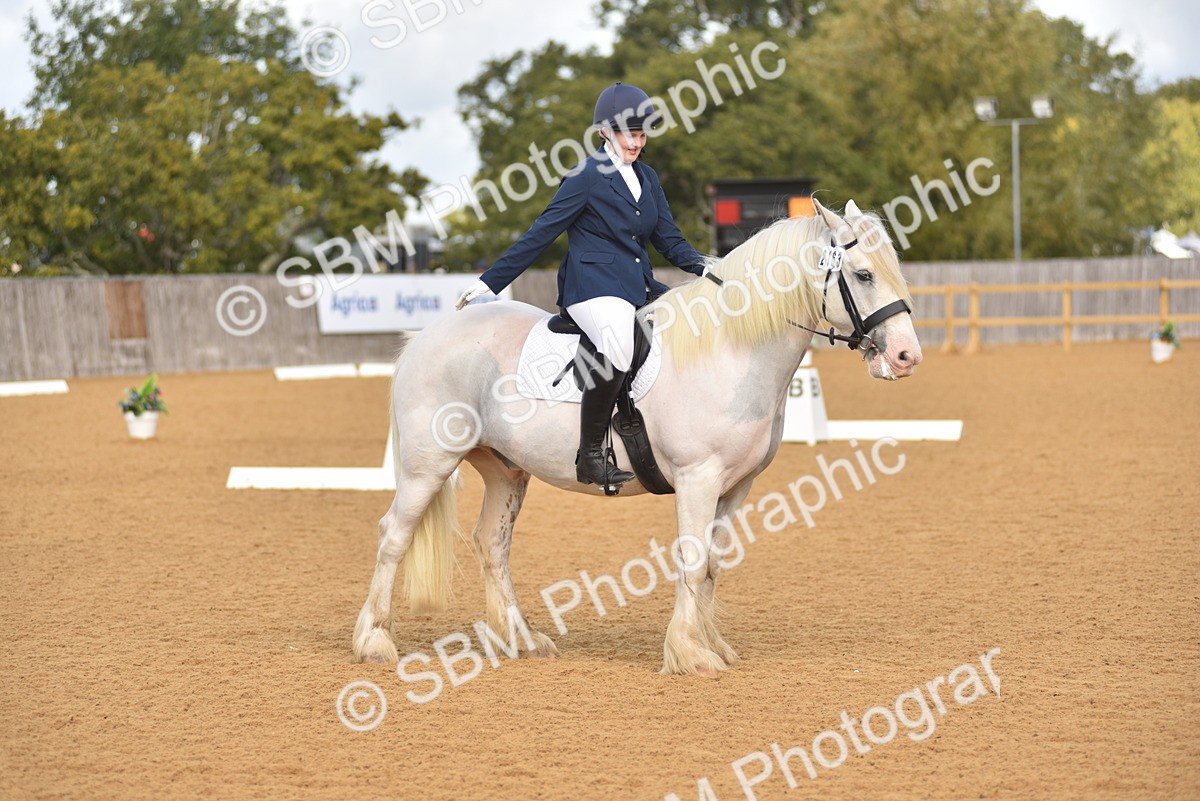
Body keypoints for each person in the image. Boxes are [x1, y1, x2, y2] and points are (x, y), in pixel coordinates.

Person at [455, 82, 709, 491]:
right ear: (606, 131)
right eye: (631, 134)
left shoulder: (647, 176)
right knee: (618, 344)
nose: (638, 143)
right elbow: (542, 232)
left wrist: (708, 268)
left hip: (637, 284)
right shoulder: (586, 176)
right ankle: (590, 453)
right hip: (592, 287)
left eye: (643, 135)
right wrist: (490, 282)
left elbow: (669, 240)